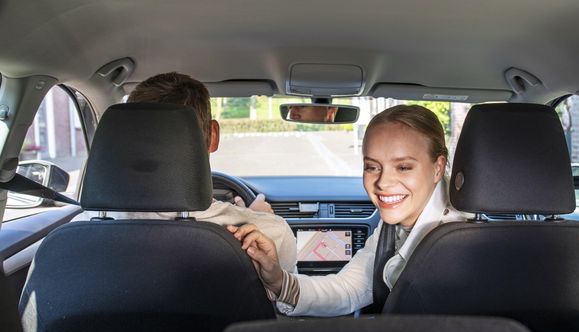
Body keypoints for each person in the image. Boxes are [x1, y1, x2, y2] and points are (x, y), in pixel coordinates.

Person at [228, 104, 465, 315]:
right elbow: (349, 289)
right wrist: (278, 280)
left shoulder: (458, 240)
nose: (383, 183)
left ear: (438, 167)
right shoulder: (393, 224)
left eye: (403, 167)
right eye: (372, 167)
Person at [76, 72, 297, 273]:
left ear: (122, 139)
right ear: (213, 135)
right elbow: (287, 295)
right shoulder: (269, 234)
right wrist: (255, 217)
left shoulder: (74, 234)